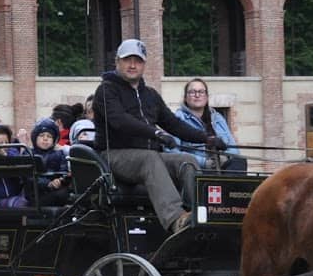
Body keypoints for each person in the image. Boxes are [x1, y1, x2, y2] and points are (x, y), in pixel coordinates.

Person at [92, 38, 223, 232]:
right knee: (150, 159)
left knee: (186, 160)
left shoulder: (151, 94)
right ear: (117, 62)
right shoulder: (105, 91)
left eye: (138, 60)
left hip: (148, 156)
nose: (133, 65)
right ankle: (176, 219)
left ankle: (200, 214)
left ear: (144, 64)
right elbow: (119, 120)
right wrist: (155, 133)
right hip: (114, 155)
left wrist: (207, 138)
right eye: (128, 60)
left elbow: (174, 124)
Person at [175, 79, 247, 173]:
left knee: (240, 161)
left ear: (207, 97)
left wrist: (224, 158)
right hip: (196, 169)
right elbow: (172, 151)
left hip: (222, 168)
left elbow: (234, 149)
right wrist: (205, 162)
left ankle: (226, 187)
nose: (197, 95)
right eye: (192, 92)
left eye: (201, 92)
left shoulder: (218, 118)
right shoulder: (178, 118)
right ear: (185, 97)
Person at [29, 117, 72, 208]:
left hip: (56, 190)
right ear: (35, 138)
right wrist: (48, 184)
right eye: (42, 135)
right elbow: (29, 176)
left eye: (49, 136)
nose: (45, 139)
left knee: (64, 194)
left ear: (54, 141)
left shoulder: (59, 153)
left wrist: (60, 180)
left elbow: (64, 171)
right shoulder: (29, 154)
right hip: (36, 193)